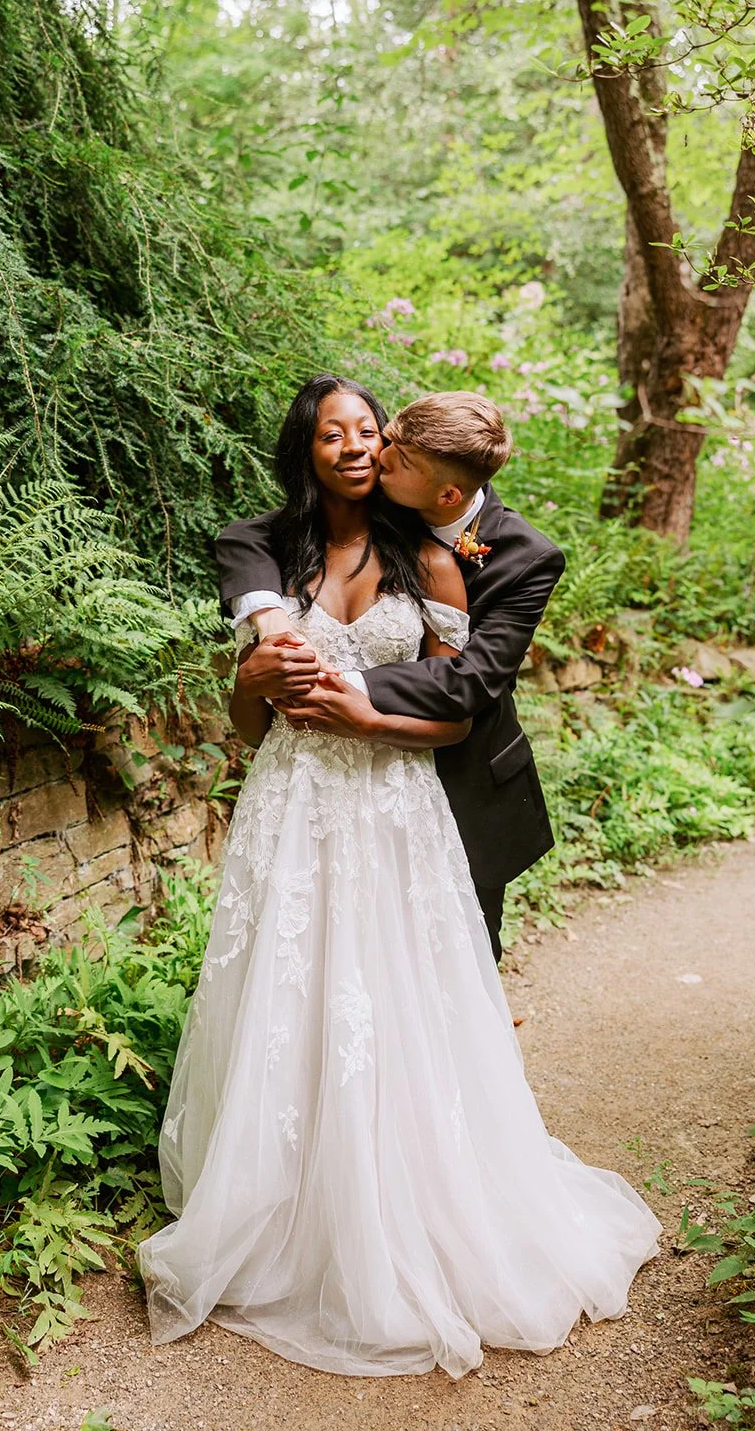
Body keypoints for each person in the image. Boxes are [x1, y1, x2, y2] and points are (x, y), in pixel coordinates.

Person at [138, 375, 660, 1378]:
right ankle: (287, 1195)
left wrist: (364, 709)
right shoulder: (260, 545)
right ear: (305, 443)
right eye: (331, 431)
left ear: (397, 452)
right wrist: (251, 680)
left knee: (417, 995)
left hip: (411, 796)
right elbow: (256, 707)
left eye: (367, 430)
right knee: (293, 990)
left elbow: (466, 694)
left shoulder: (436, 553)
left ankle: (417, 1192)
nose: (353, 445)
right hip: (292, 805)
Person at [216, 386, 566, 961]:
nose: (370, 454)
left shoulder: (517, 558)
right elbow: (247, 537)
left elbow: (466, 688)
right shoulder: (289, 552)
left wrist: (343, 692)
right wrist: (262, 653)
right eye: (337, 435)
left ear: (446, 493)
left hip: (455, 780)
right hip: (305, 799)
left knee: (451, 966)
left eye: (383, 446)